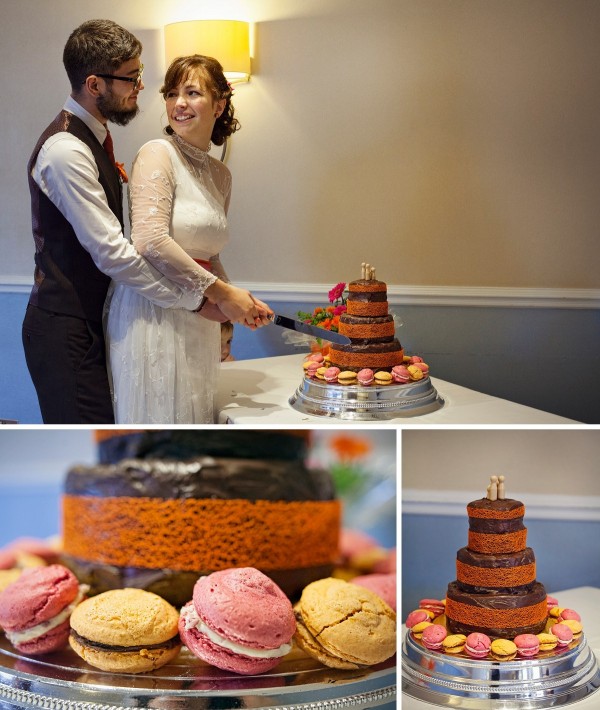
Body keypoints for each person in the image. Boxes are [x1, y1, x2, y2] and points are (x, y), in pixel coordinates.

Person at [22, 19, 205, 424]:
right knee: (86, 438)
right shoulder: (65, 150)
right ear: (94, 84)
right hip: (64, 330)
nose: (140, 86)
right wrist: (192, 300)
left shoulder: (93, 139)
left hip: (92, 321)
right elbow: (112, 254)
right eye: (130, 77)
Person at [105, 55, 272, 423]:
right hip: (154, 312)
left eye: (192, 92)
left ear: (219, 104)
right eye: (172, 93)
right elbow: (149, 241)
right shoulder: (156, 153)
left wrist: (238, 301)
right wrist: (223, 295)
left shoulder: (221, 174)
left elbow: (209, 254)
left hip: (199, 317)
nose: (178, 104)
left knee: (194, 419)